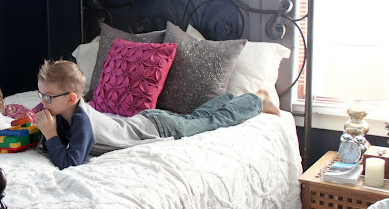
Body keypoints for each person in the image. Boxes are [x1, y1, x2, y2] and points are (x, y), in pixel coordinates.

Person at [34, 59, 278, 170]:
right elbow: (56, 141)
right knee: (195, 118)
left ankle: (257, 99)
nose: (43, 102)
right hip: (147, 120)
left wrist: (51, 136)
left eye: (48, 97)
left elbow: (70, 162)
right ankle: (229, 98)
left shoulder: (82, 121)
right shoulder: (64, 112)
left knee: (213, 122)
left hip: (159, 127)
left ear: (71, 98)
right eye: (41, 94)